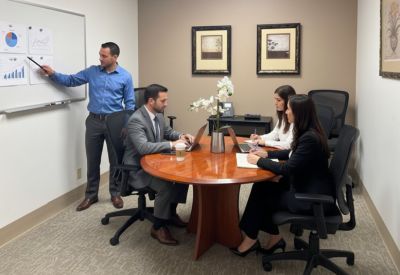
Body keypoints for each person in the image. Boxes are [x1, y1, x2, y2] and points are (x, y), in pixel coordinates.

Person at [231, 95, 335, 256]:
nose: (286, 112)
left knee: (263, 195)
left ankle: (251, 239)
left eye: (289, 109)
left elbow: (287, 169)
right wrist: (266, 154)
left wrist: (258, 161)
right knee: (263, 185)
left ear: (299, 114)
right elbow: (293, 153)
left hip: (311, 198)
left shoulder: (310, 138)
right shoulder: (309, 132)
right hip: (307, 185)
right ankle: (272, 238)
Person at [41, 42, 134, 211]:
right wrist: (53, 74)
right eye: (100, 54)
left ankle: (115, 193)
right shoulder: (92, 71)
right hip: (94, 122)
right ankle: (91, 195)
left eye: (104, 56)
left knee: (115, 161)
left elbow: (129, 104)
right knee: (92, 161)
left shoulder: (125, 76)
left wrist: (126, 126)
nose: (100, 58)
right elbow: (71, 80)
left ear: (115, 57)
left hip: (115, 123)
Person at [123, 84, 194, 246]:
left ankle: (170, 213)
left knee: (182, 176)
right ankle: (158, 226)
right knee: (166, 186)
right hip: (138, 169)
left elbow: (168, 132)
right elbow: (143, 147)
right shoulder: (136, 120)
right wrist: (171, 145)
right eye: (163, 100)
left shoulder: (158, 114)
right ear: (150, 101)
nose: (166, 103)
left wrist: (182, 136)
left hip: (155, 162)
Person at [250, 85, 296, 149]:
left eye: (279, 100)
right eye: (275, 100)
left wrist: (265, 142)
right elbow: (275, 134)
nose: (275, 103)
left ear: (288, 101)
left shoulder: (294, 119)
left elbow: (288, 145)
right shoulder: (283, 116)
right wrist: (260, 137)